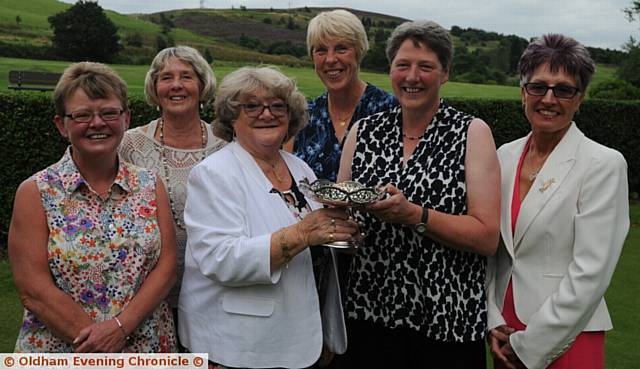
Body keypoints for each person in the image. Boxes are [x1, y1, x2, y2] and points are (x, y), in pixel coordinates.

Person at [336, 20, 500, 368]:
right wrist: (338, 224)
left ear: (445, 74)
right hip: (369, 313)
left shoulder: (471, 132)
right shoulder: (364, 132)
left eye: (426, 67)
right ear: (390, 70)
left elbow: (487, 237)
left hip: (447, 320)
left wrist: (415, 216)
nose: (412, 77)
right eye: (403, 65)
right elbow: (342, 214)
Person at [179, 66, 355, 368]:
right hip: (239, 344)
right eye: (252, 105)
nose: (267, 114)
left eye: (277, 106)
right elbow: (220, 259)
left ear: (291, 116)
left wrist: (339, 232)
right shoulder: (213, 174)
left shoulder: (299, 168)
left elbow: (316, 245)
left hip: (300, 336)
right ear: (232, 116)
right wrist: (301, 234)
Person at [8, 62, 177, 352]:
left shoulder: (150, 185)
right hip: (67, 349)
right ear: (62, 125)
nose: (97, 123)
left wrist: (121, 328)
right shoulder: (36, 192)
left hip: (146, 346)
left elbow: (167, 266)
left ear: (126, 119)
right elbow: (33, 289)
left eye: (109, 113)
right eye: (82, 115)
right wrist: (98, 342)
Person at [485, 34, 629, 369]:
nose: (549, 98)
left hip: (567, 336)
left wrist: (530, 346)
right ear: (523, 92)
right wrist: (491, 317)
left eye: (564, 89)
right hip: (505, 331)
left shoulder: (603, 164)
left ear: (580, 99)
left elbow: (591, 272)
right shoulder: (503, 156)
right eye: (538, 87)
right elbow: (492, 249)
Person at [119, 46, 226, 339]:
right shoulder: (130, 145)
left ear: (202, 85)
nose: (176, 85)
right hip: (145, 295)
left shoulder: (227, 145)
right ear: (155, 88)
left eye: (186, 77)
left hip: (212, 290)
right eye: (166, 77)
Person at [291, 9, 396, 182]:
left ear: (359, 52)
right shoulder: (302, 118)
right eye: (321, 51)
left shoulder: (392, 111)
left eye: (341, 48)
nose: (330, 59)